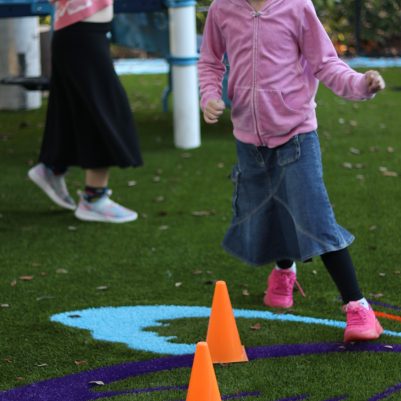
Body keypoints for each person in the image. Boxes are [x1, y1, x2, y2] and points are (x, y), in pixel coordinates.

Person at [198, 0, 386, 342]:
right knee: (269, 208)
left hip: (296, 133)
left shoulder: (297, 7)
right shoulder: (221, 9)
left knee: (314, 217)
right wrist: (209, 95)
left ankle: (359, 308)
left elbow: (326, 63)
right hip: (248, 139)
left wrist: (361, 85)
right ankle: (284, 270)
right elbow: (210, 62)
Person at [28, 0, 143, 223]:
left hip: (81, 32)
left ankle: (53, 168)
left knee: (78, 108)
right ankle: (94, 198)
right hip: (80, 32)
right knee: (105, 112)